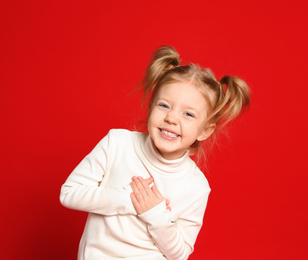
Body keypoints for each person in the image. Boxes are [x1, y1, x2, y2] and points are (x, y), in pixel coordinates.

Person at [60, 46, 251, 260]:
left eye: (188, 114)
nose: (172, 118)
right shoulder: (118, 143)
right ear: (151, 107)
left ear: (205, 130)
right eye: (164, 105)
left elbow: (180, 254)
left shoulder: (196, 187)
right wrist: (128, 199)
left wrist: (155, 214)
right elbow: (69, 194)